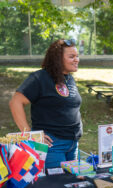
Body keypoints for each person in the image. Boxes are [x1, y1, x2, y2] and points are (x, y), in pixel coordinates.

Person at [9, 39, 82, 169]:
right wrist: (29, 134)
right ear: (58, 59)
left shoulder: (69, 78)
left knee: (73, 184)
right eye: (71, 57)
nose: (76, 60)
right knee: (57, 186)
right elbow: (15, 102)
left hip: (73, 144)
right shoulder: (40, 78)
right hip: (52, 146)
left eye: (77, 56)